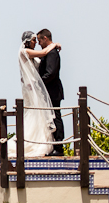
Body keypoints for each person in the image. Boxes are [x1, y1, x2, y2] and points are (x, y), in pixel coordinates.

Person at [9, 31, 60, 157]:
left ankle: (42, 141)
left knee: (40, 115)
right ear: (27, 41)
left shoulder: (32, 54)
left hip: (37, 90)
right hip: (32, 90)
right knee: (34, 113)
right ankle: (30, 142)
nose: (36, 42)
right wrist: (54, 44)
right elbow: (43, 53)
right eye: (33, 40)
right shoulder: (24, 52)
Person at [37, 28, 65, 156]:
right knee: (50, 118)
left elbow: (51, 73)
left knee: (55, 117)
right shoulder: (47, 51)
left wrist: (39, 83)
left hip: (52, 91)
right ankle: (52, 145)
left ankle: (59, 146)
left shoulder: (52, 53)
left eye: (39, 40)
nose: (38, 44)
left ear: (45, 39)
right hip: (48, 91)